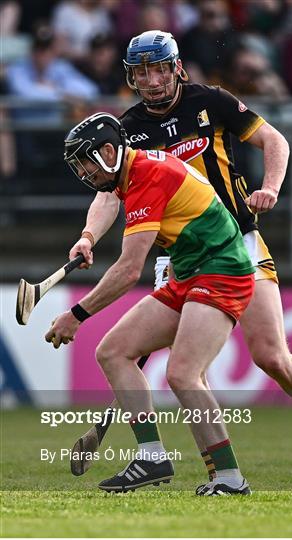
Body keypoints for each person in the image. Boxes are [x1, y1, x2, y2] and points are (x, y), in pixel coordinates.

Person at [69, 31, 292, 488]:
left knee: (271, 356)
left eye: (158, 69)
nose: (151, 81)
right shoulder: (125, 128)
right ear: (132, 77)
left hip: (238, 244)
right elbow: (110, 192)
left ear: (176, 68)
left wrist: (270, 187)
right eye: (141, 72)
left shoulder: (211, 101)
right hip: (178, 256)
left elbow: (275, 141)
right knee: (181, 367)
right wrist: (89, 235)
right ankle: (214, 470)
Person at [46, 111, 256, 496]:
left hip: (223, 270)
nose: (84, 173)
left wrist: (76, 315)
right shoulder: (130, 171)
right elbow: (107, 200)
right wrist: (88, 236)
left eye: (86, 162)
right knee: (113, 352)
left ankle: (229, 478)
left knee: (182, 373)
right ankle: (152, 457)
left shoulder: (147, 177)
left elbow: (128, 271)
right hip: (189, 272)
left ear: (109, 151)